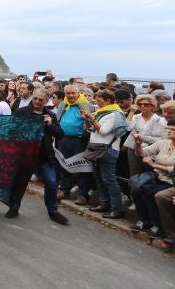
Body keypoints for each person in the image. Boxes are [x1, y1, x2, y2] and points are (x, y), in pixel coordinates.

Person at [8, 89, 68, 224]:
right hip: (24, 155)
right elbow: (11, 130)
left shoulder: (50, 115)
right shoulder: (22, 112)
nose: (37, 102)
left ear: (47, 101)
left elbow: (60, 134)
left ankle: (53, 211)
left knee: (51, 183)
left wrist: (50, 125)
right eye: (35, 98)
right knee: (19, 183)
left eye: (41, 100)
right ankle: (14, 207)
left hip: (44, 157)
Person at [81, 89, 126, 219]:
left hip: (108, 149)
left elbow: (104, 131)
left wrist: (92, 118)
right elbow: (90, 129)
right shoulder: (101, 112)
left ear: (108, 100)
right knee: (99, 178)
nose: (96, 102)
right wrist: (87, 120)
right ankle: (104, 203)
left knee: (109, 179)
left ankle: (117, 209)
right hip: (97, 149)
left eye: (99, 99)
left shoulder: (115, 114)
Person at [130, 122, 175, 238]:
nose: (169, 131)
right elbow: (142, 153)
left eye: (173, 129)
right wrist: (138, 144)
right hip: (156, 176)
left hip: (170, 181)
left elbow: (172, 169)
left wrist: (154, 165)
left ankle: (158, 225)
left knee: (150, 192)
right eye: (168, 128)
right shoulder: (164, 142)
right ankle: (145, 220)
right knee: (136, 189)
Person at [54, 85, 94, 205]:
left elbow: (91, 123)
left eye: (73, 93)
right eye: (68, 93)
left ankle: (83, 194)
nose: (71, 96)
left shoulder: (87, 106)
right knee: (63, 165)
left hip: (80, 140)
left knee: (82, 168)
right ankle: (64, 190)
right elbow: (57, 119)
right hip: (63, 139)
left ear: (78, 93)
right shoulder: (63, 104)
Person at [123, 94, 167, 178]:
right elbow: (127, 127)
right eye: (140, 104)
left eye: (146, 104)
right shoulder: (135, 117)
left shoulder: (160, 120)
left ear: (152, 106)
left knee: (149, 177)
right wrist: (132, 112)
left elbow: (161, 139)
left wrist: (142, 137)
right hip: (134, 149)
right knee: (134, 175)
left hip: (152, 151)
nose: (142, 106)